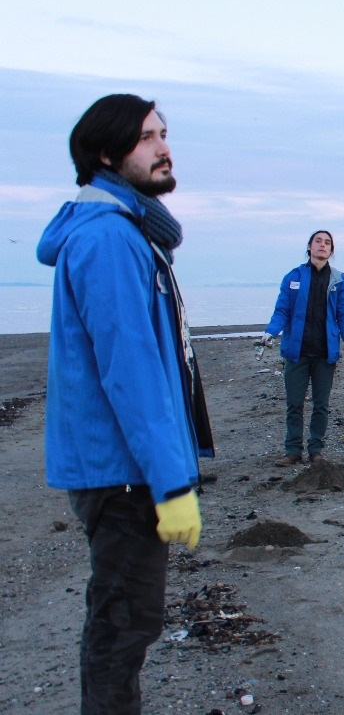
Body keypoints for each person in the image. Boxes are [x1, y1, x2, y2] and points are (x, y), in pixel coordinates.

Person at [36, 94, 214, 714]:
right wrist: (170, 484)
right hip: (123, 475)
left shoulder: (129, 233)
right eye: (146, 138)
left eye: (164, 134)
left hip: (123, 470)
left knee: (125, 626)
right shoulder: (111, 239)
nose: (164, 147)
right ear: (107, 154)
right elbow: (130, 372)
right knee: (121, 630)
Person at [259, 230, 344, 466]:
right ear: (310, 247)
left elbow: (343, 314)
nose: (322, 245)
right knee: (294, 403)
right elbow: (283, 310)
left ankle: (316, 450)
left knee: (321, 404)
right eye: (318, 241)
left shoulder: (339, 280)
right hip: (296, 351)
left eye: (327, 243)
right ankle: (293, 450)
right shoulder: (292, 278)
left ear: (331, 250)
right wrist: (270, 332)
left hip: (325, 353)